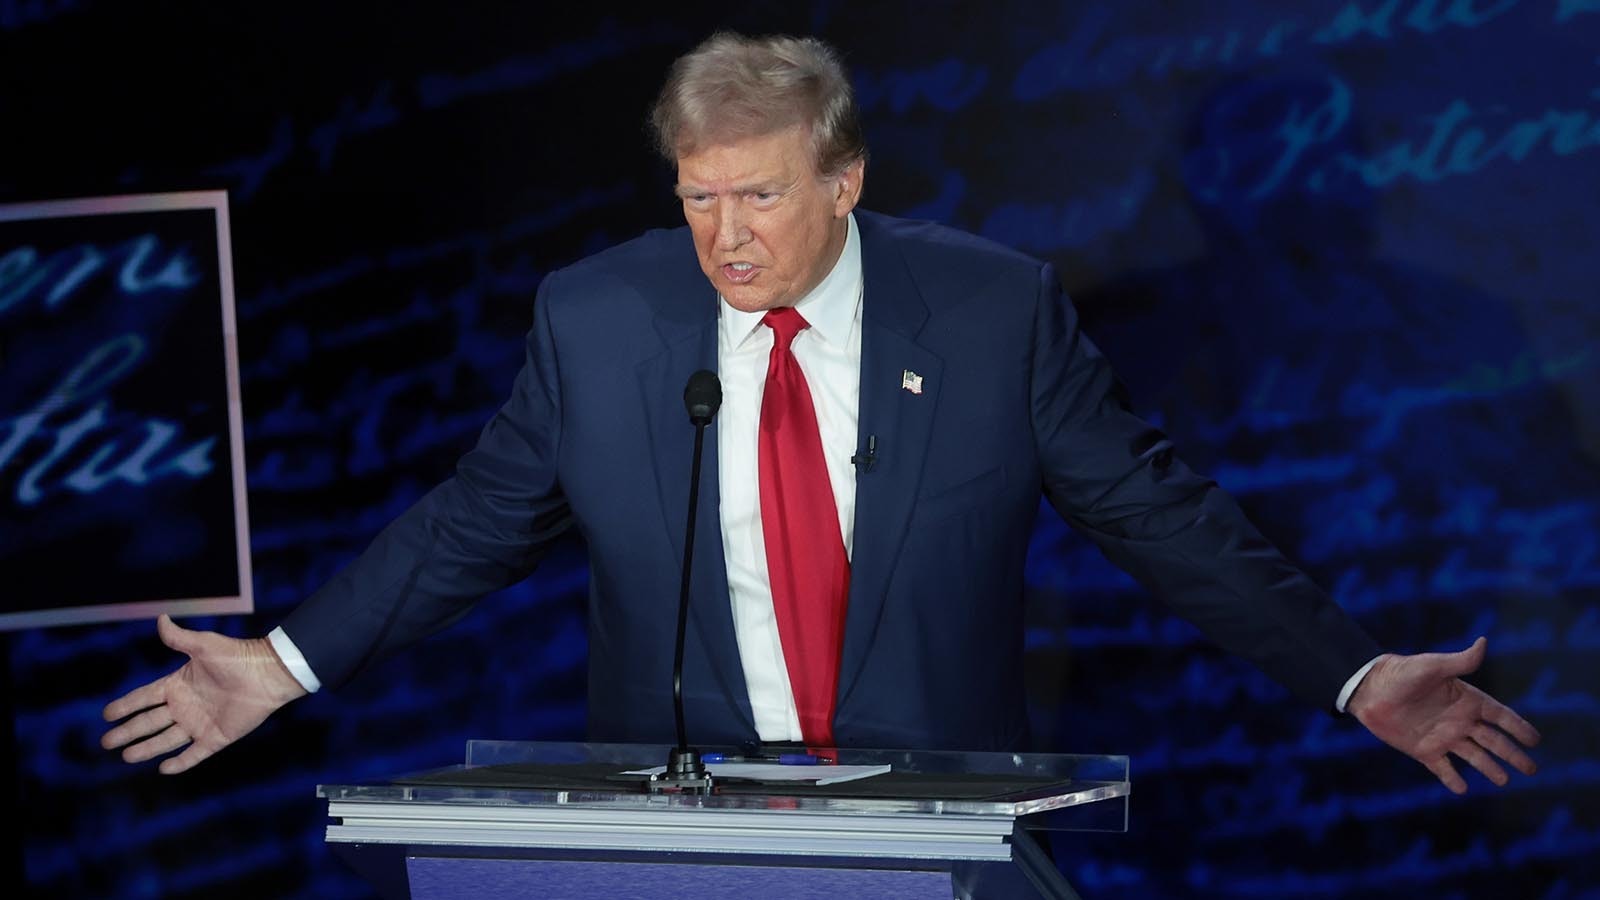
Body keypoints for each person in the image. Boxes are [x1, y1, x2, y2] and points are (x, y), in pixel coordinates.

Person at [104, 33, 1538, 794]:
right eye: (697, 197)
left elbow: (1163, 520)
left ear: (844, 181)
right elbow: (475, 521)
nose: (725, 238)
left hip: (936, 821)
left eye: (762, 194)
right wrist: (281, 667)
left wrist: (1354, 677)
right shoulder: (601, 321)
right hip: (681, 836)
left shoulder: (990, 313)